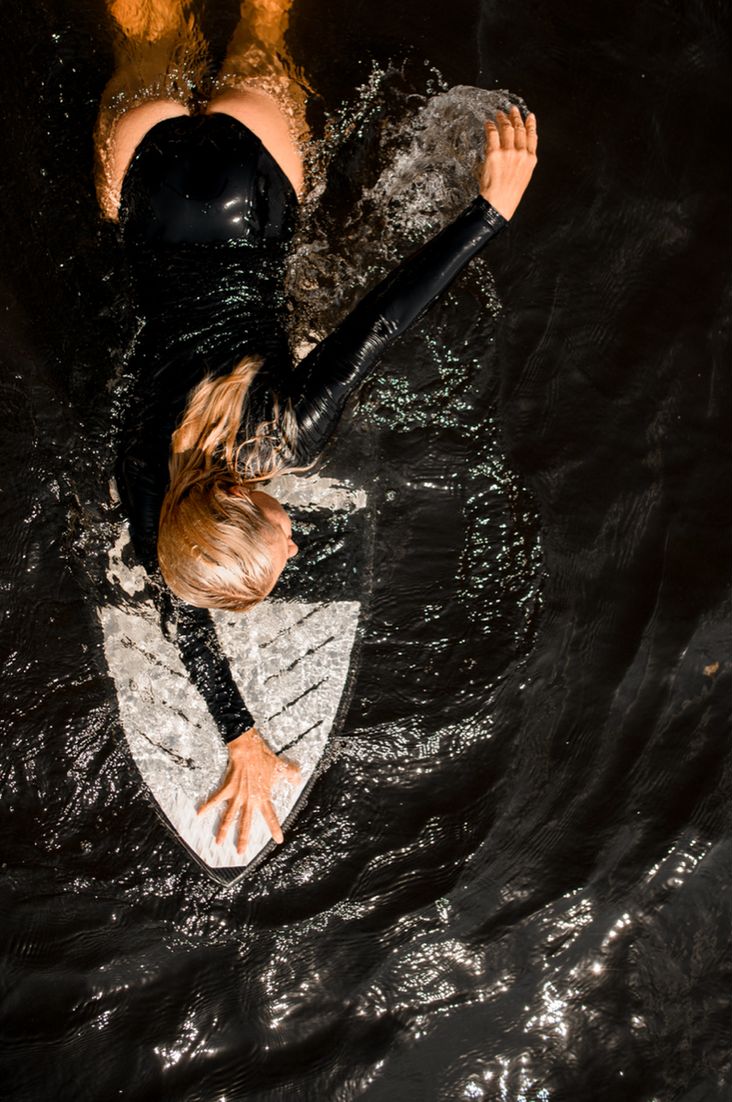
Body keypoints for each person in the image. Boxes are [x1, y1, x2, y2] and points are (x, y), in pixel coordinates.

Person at [95, 0, 538, 856]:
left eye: (276, 536)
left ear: (250, 499)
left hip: (256, 186)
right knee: (149, 29)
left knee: (265, 24)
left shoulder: (284, 433)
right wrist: (239, 733)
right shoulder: (147, 482)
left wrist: (490, 214)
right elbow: (175, 603)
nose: (294, 545)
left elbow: (378, 322)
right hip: (144, 177)